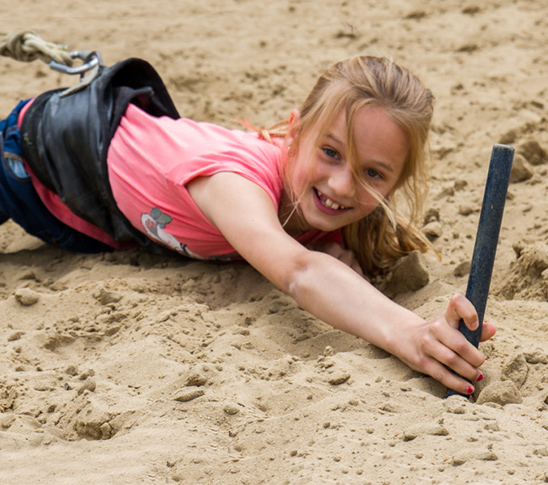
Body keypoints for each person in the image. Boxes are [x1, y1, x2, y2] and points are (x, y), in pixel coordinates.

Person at [0, 52, 496, 395]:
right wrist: (409, 332)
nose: (343, 186)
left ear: (396, 182)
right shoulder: (235, 181)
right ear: (296, 133)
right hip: (32, 157)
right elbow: (299, 272)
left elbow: (321, 265)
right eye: (330, 152)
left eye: (372, 173)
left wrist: (337, 258)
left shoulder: (324, 214)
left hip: (93, 225)